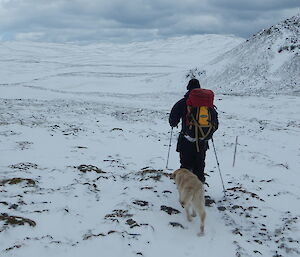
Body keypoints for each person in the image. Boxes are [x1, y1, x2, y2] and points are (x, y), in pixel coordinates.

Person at [168, 78, 218, 183]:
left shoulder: (182, 103)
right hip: (202, 140)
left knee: (185, 164)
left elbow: (173, 119)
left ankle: (186, 187)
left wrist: (174, 124)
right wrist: (206, 133)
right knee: (200, 164)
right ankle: (199, 186)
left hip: (186, 139)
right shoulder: (207, 105)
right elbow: (215, 123)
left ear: (188, 88)